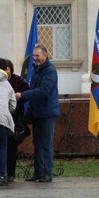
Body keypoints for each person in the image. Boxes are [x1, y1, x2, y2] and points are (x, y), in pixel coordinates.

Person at [20, 45, 60, 183]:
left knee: (46, 143)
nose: (35, 58)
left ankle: (47, 173)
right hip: (37, 112)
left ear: (45, 55)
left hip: (47, 113)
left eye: (38, 55)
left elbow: (43, 91)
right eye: (34, 56)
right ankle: (38, 172)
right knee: (37, 143)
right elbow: (34, 90)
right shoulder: (37, 70)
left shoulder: (49, 71)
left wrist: (22, 95)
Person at [0, 58, 28, 182]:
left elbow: (27, 91)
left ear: (11, 69)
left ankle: (10, 173)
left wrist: (18, 96)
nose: (5, 71)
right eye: (3, 69)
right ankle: (1, 173)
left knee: (12, 147)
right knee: (2, 146)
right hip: (0, 117)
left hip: (14, 117)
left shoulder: (17, 80)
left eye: (7, 69)